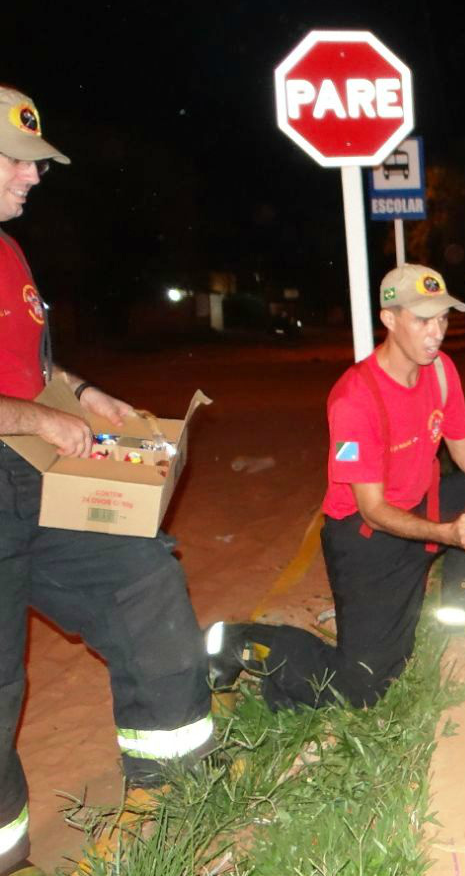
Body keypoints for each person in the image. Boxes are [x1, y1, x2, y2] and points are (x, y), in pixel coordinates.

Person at [0, 86, 214, 876]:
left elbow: (31, 363)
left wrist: (82, 393)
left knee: (142, 578)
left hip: (32, 474)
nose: (35, 177)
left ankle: (178, 782)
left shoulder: (8, 252)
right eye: (20, 162)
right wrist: (31, 418)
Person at [214, 265, 465, 711]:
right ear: (389, 319)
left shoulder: (441, 371)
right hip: (367, 540)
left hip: (421, 508)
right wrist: (449, 534)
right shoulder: (356, 398)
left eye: (443, 319)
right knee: (364, 688)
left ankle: (460, 612)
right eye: (422, 319)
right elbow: (371, 510)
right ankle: (242, 642)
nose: (437, 333)